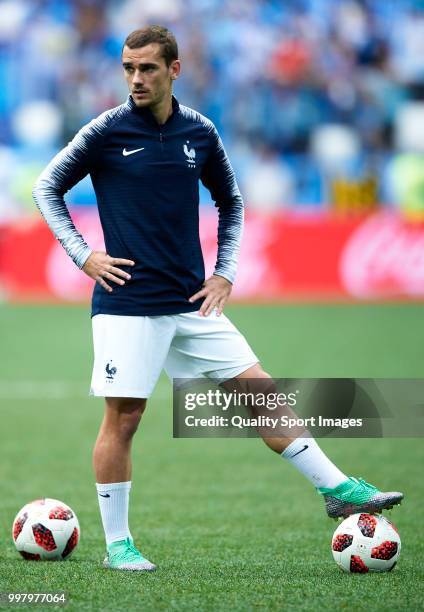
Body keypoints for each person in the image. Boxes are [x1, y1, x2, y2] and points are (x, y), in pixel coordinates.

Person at [33, 25, 403, 572]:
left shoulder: (200, 132)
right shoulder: (106, 131)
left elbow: (231, 200)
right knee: (125, 418)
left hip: (192, 301)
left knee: (261, 393)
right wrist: (83, 255)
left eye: (148, 68)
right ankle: (118, 546)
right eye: (129, 68)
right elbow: (47, 187)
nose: (136, 78)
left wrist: (225, 272)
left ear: (174, 70)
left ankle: (337, 488)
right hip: (128, 305)